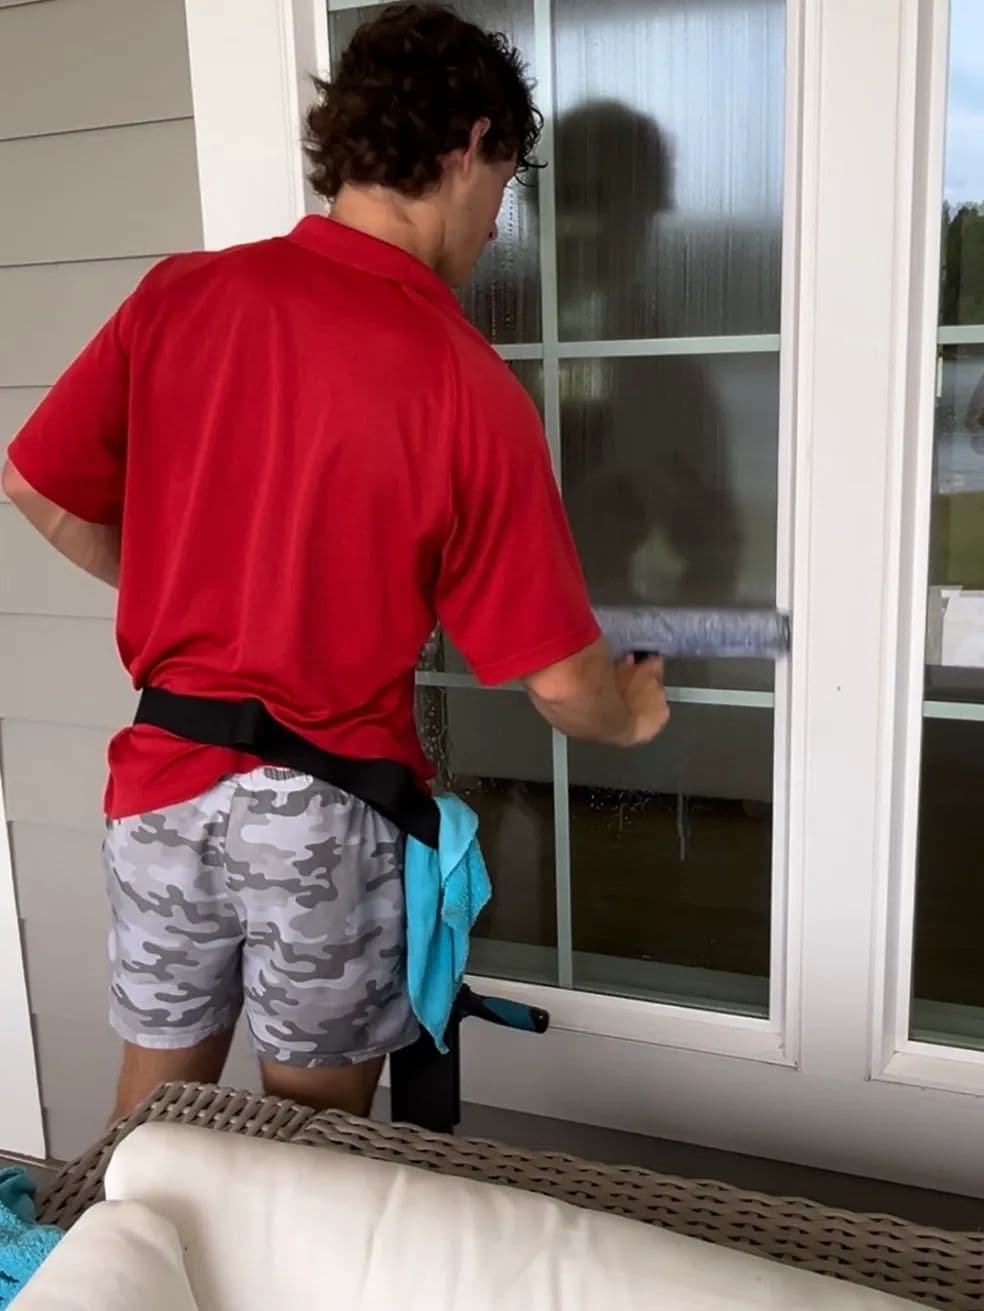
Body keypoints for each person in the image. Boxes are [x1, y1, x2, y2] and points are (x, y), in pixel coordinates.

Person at [1, 2, 668, 1123]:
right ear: (469, 147)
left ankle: (118, 1239)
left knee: (152, 1124)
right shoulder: (463, 381)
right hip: (326, 813)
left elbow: (33, 485)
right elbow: (562, 684)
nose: (495, 226)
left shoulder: (181, 297)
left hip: (160, 785)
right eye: (504, 185)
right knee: (306, 1149)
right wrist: (632, 716)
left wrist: (193, 588)